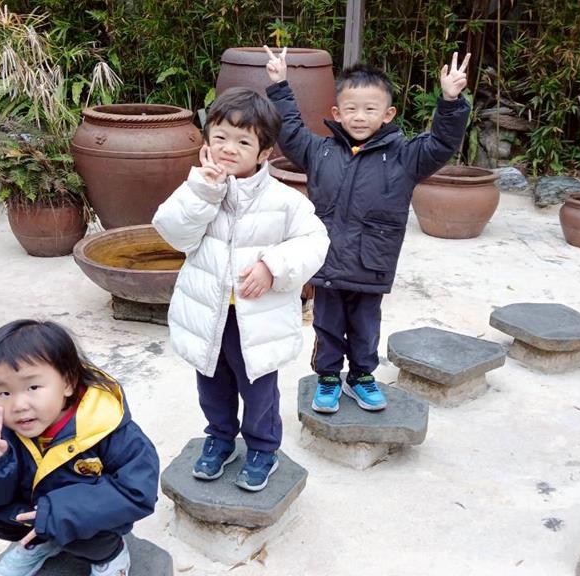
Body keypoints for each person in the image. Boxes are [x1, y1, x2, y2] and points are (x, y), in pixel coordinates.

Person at [264, 47, 471, 414]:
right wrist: (280, 85)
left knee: (365, 326)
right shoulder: (320, 151)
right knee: (327, 325)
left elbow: (441, 143)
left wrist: (450, 101)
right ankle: (329, 377)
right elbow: (290, 132)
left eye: (370, 109)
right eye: (351, 109)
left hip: (371, 263)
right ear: (337, 113)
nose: (359, 117)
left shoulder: (405, 157)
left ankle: (361, 376)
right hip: (328, 263)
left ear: (388, 114)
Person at [152, 87, 328, 492]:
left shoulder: (284, 201)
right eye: (220, 137)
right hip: (208, 313)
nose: (229, 148)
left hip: (257, 319)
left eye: (243, 142)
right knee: (212, 384)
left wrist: (272, 266)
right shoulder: (196, 189)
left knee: (258, 389)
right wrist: (203, 192)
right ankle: (220, 438)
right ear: (207, 140)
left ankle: (263, 448)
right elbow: (174, 234)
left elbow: (315, 241)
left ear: (264, 152)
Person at [0, 320, 159, 576]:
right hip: (37, 512)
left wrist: (58, 514)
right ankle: (40, 543)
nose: (18, 405)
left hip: (85, 518)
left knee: (93, 535)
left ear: (68, 383)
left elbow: (137, 492)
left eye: (33, 387)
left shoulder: (105, 425)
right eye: (4, 393)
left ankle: (110, 554)